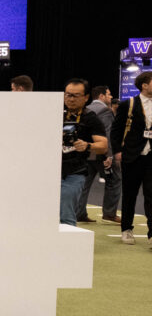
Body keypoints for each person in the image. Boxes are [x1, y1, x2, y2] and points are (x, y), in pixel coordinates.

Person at [110, 70, 152, 246]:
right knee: (130, 195)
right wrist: (117, 151)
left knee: (151, 195)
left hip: (151, 157)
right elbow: (116, 130)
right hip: (132, 156)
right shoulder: (128, 104)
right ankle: (126, 229)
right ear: (144, 85)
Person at [60, 79, 107, 227]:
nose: (70, 99)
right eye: (68, 95)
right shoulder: (53, 112)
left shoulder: (90, 117)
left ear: (86, 97)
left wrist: (87, 145)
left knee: (66, 213)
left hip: (74, 172)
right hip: (48, 170)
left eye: (76, 95)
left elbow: (103, 145)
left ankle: (68, 247)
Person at [76, 85, 120, 224]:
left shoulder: (86, 109)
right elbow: (107, 134)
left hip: (87, 152)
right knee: (114, 180)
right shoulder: (105, 111)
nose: (111, 97)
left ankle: (79, 213)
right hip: (101, 152)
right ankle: (109, 213)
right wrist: (110, 155)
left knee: (85, 183)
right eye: (108, 94)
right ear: (101, 96)